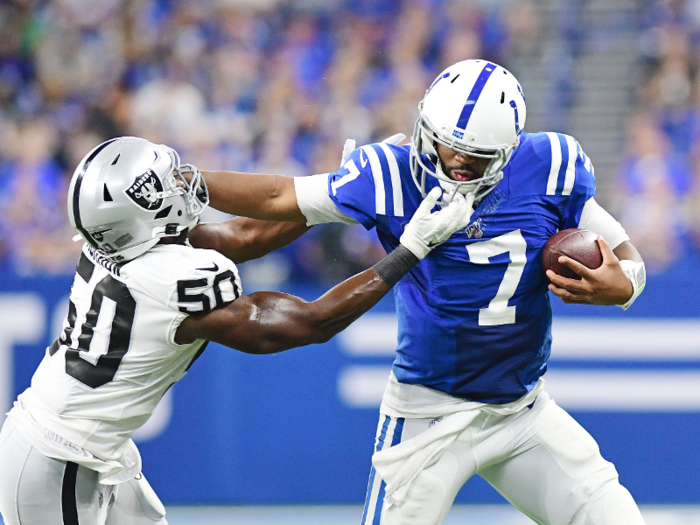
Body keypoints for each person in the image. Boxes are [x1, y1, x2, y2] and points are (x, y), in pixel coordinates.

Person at [188, 60, 648, 525]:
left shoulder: (551, 165)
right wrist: (187, 179)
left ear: (509, 153)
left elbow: (623, 250)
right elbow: (275, 199)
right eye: (448, 145)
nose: (454, 162)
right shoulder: (388, 175)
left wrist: (626, 283)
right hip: (426, 412)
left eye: (474, 157)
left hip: (521, 409)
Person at [0, 136, 473, 525]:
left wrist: (339, 192)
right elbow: (308, 324)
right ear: (136, 219)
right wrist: (410, 249)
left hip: (91, 448)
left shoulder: (130, 245)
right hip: (59, 458)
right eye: (162, 190)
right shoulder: (164, 280)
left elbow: (245, 236)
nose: (179, 189)